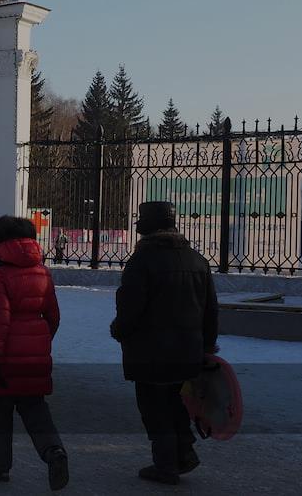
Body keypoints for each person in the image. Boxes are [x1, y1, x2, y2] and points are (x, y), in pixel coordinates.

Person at [110, 201, 219, 485]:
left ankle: (166, 465)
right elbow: (211, 309)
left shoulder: (142, 261)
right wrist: (208, 346)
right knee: (176, 402)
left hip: (151, 351)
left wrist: (119, 330)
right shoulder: (197, 260)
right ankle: (184, 454)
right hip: (188, 350)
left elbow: (130, 307)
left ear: (145, 228)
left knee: (154, 407)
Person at [0, 215, 69, 491]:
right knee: (35, 407)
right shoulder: (43, 272)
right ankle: (54, 451)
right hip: (36, 352)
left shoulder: (0, 274)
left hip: (5, 353)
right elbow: (53, 316)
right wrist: (40, 342)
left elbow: (0, 319)